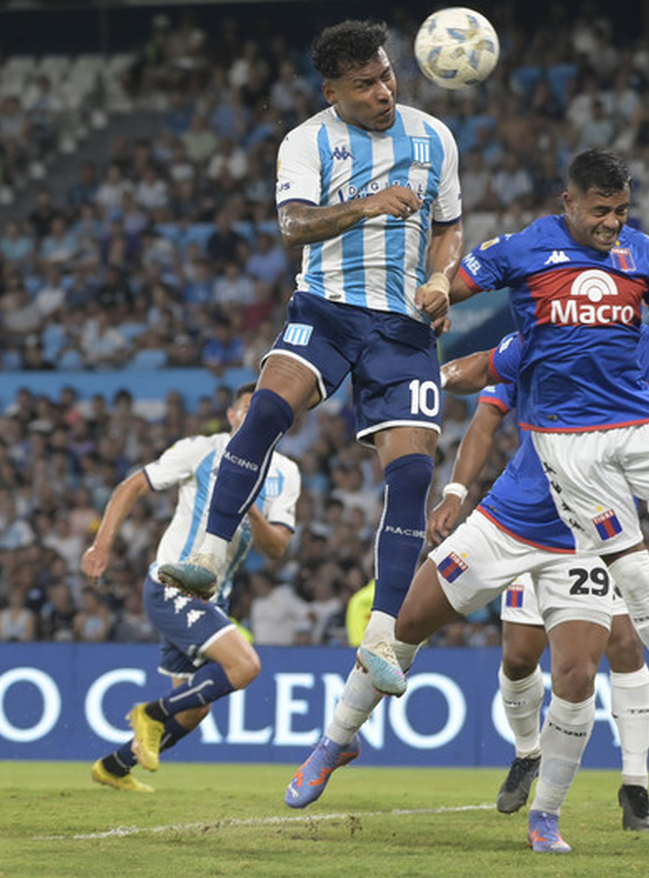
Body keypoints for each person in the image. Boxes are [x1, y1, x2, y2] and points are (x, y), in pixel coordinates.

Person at [285, 326, 649, 854]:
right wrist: (454, 481)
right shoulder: (539, 338)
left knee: (577, 676)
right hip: (508, 520)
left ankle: (547, 814)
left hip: (587, 539)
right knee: (409, 621)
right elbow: (478, 389)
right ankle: (335, 743)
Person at [158, 19, 462, 698]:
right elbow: (293, 224)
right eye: (366, 84)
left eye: (387, 76)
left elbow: (448, 227)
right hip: (326, 307)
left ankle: (383, 635)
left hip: (403, 327)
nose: (384, 91)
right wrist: (367, 204)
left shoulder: (434, 137)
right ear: (333, 91)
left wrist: (443, 278)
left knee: (412, 475)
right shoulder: (307, 141)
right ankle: (208, 553)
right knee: (265, 407)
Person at [442, 323, 649, 832]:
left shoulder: (632, 353)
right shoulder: (532, 343)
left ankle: (636, 784)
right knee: (520, 655)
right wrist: (456, 488)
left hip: (599, 528)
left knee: (625, 644)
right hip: (526, 523)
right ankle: (527, 753)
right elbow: (484, 420)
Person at [83, 383, 299, 792]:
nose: (253, 417)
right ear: (233, 415)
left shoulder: (286, 473)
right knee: (245, 666)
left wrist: (250, 506)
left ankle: (114, 766)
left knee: (194, 710)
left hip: (213, 596)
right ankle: (149, 712)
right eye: (246, 409)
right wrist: (102, 545)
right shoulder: (201, 449)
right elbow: (132, 485)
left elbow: (277, 548)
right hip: (173, 583)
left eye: (264, 411)